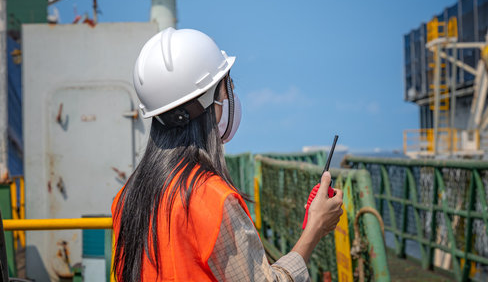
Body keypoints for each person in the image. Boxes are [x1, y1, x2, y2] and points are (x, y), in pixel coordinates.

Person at [111, 28, 344, 282]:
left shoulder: (127, 197)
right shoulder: (212, 199)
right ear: (210, 103)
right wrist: (315, 228)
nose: (232, 96)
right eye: (228, 88)